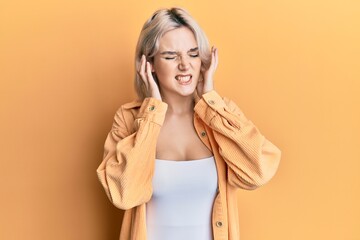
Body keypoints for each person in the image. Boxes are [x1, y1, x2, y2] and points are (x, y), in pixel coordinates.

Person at [97, 7, 281, 240]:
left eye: (193, 54)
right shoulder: (129, 120)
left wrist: (210, 101)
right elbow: (125, 195)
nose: (185, 65)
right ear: (149, 63)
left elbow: (259, 172)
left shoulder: (220, 114)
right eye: (171, 56)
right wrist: (152, 113)